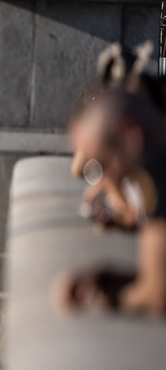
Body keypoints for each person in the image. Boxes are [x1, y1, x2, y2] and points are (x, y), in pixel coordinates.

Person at [58, 70, 166, 316]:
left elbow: (158, 295)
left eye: (103, 166)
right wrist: (108, 280)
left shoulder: (159, 173)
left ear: (129, 134)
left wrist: (107, 295)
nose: (104, 183)